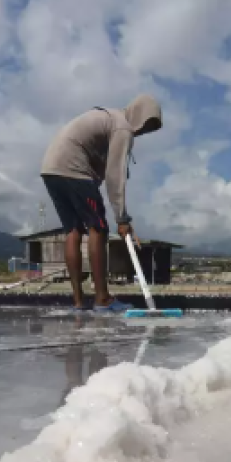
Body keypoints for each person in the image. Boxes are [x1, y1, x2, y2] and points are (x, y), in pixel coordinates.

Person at [40, 94, 163, 312]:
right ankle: (102, 298)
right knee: (98, 228)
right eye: (146, 126)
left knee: (73, 231)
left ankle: (78, 302)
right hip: (74, 168)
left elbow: (102, 168)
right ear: (139, 115)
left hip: (51, 169)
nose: (143, 132)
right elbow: (115, 176)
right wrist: (122, 219)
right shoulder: (122, 127)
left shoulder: (111, 118)